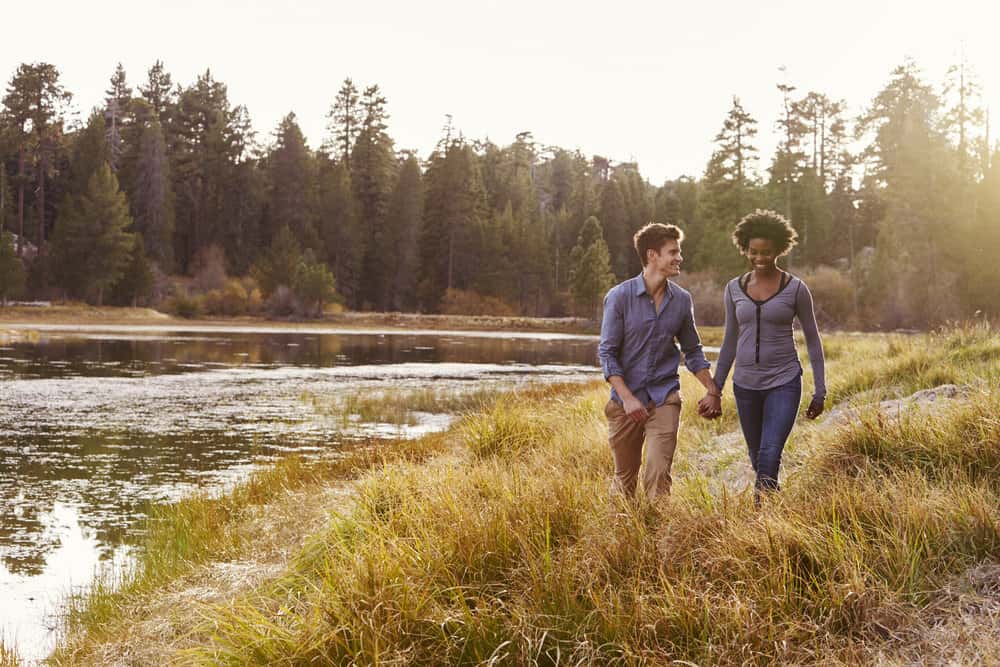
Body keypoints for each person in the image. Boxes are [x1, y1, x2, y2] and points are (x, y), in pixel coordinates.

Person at [700, 209, 826, 498]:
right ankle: (775, 506)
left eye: (767, 252)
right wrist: (714, 390)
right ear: (744, 248)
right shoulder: (734, 288)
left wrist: (820, 390)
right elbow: (729, 341)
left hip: (784, 381)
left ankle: (760, 521)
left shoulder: (796, 289)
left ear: (779, 249)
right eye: (753, 252)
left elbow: (813, 340)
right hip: (745, 385)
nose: (760, 258)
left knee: (770, 453)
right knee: (757, 458)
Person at [598, 222, 720, 502]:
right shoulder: (619, 297)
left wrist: (712, 389)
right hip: (624, 403)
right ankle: (624, 537)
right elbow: (607, 353)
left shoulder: (681, 300)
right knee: (625, 479)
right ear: (653, 255)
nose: (679, 257)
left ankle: (657, 538)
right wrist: (628, 399)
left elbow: (692, 351)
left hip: (664, 397)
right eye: (673, 252)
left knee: (658, 473)